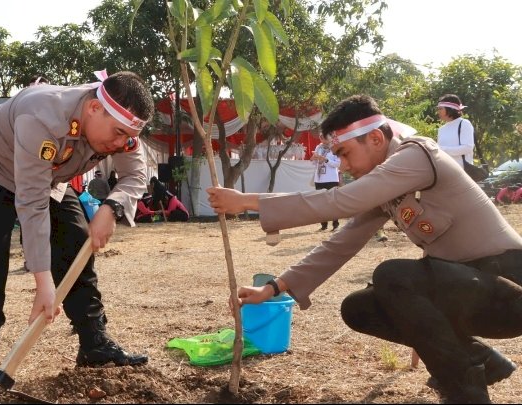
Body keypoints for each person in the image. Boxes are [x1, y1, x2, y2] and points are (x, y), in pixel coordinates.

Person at [207, 94, 522, 404]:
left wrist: (248, 201)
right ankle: (480, 359)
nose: (342, 166)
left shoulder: (416, 154)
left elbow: (339, 201)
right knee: (359, 308)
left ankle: (465, 389)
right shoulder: (386, 185)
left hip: (508, 287)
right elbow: (340, 244)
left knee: (392, 274)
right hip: (467, 292)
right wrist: (274, 287)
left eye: (345, 154)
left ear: (374, 138)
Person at [0, 70, 155, 403]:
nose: (121, 144)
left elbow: (136, 174)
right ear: (93, 109)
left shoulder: (121, 124)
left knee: (76, 243)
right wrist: (43, 283)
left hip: (49, 176)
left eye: (127, 138)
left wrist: (111, 208)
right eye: (118, 134)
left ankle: (94, 344)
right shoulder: (42, 115)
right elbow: (31, 202)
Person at [310, 135, 341, 231]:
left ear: (330, 138)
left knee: (333, 202)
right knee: (320, 202)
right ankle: (324, 225)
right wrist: (314, 159)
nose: (322, 140)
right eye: (320, 138)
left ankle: (335, 224)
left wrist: (326, 160)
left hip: (331, 178)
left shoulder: (335, 148)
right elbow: (314, 163)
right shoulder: (318, 147)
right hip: (319, 179)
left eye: (324, 138)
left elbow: (338, 164)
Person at [436, 94, 475, 170]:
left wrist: (441, 149)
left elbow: (467, 148)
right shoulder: (441, 129)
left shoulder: (464, 123)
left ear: (450, 109)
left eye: (440, 109)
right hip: (445, 171)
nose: (438, 111)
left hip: (462, 172)